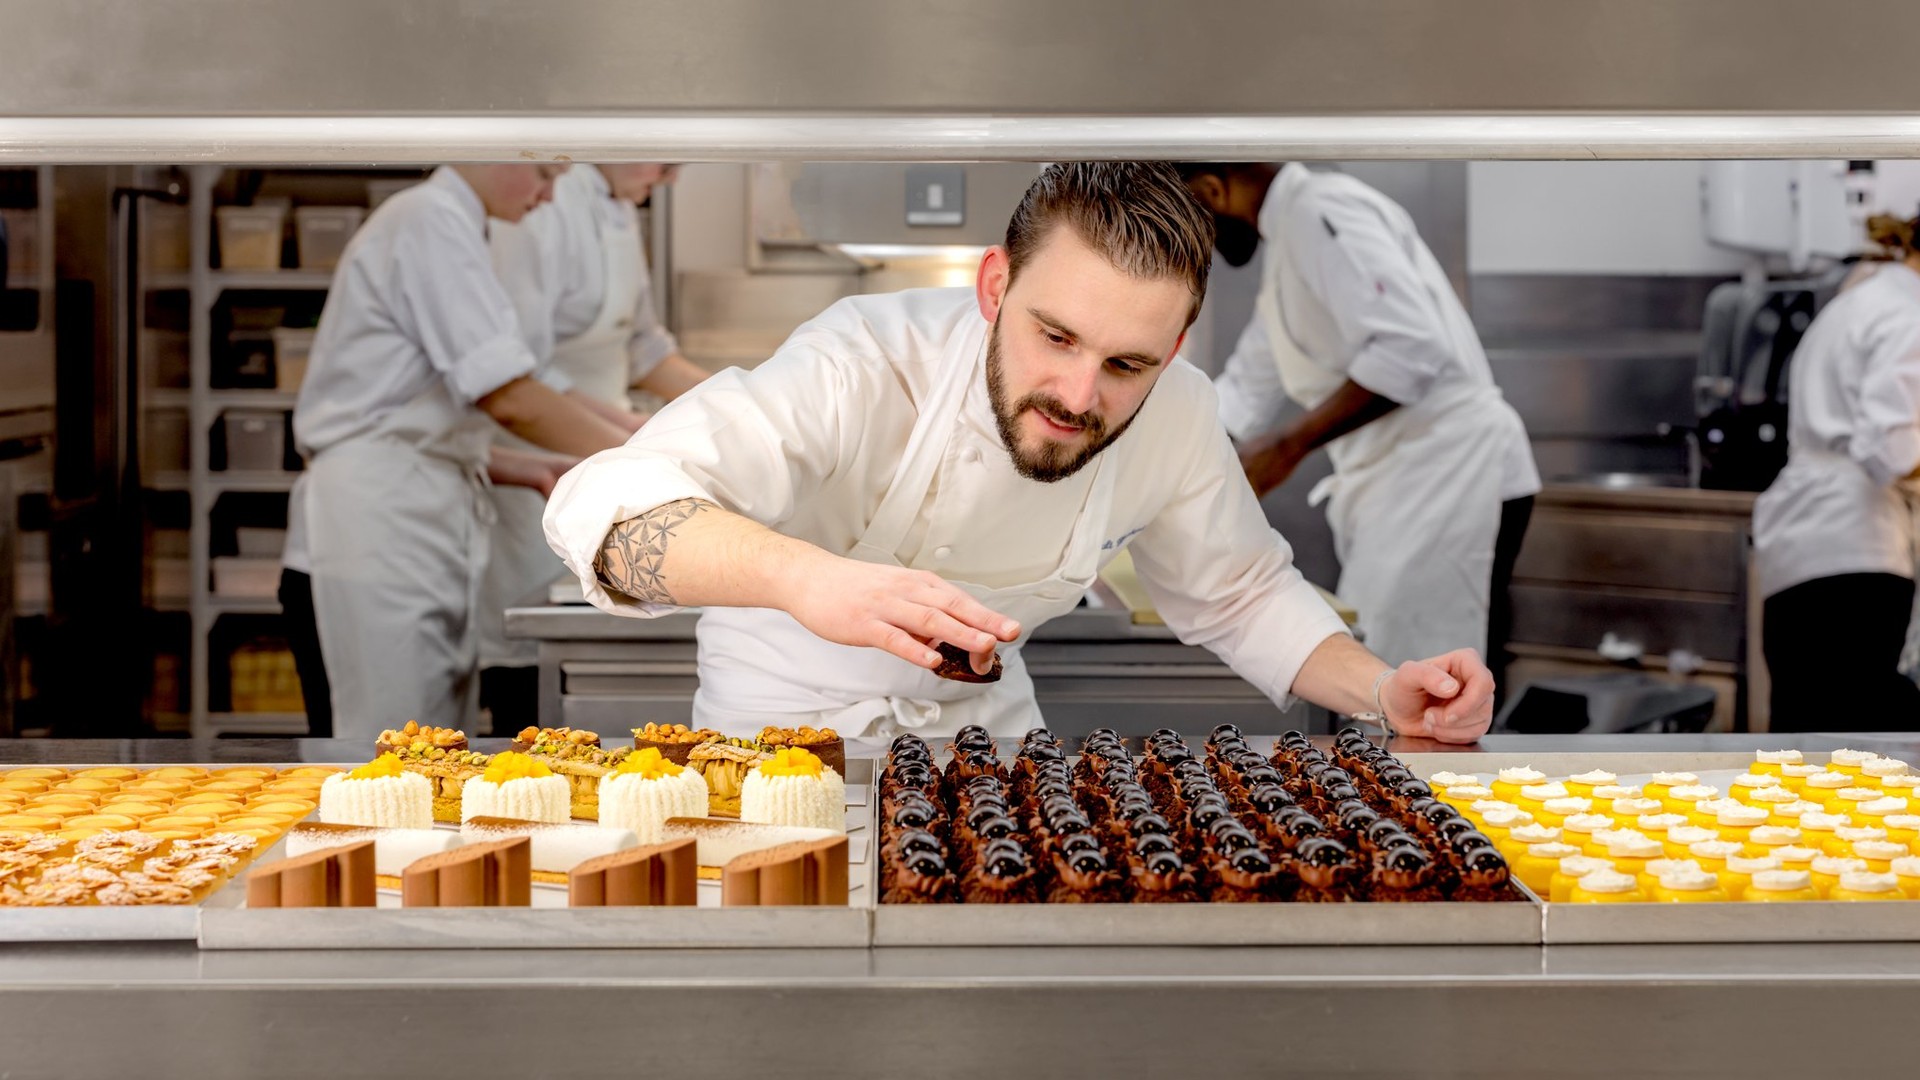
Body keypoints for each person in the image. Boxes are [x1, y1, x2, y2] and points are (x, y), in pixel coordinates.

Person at [543, 162, 1494, 742]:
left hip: (987, 753)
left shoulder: (1179, 414)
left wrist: (1383, 691)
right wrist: (807, 580)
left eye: (1126, 364)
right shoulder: (864, 363)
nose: (1079, 396)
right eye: (1056, 337)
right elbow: (607, 507)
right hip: (777, 750)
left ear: (1174, 348)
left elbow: (1240, 593)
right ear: (994, 288)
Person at [279, 164, 634, 741]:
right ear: (495, 151)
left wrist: (528, 467)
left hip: (420, 512)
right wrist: (643, 462)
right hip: (375, 524)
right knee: (389, 749)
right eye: (543, 173)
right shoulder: (427, 220)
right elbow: (509, 397)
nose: (550, 196)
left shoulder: (465, 228)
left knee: (437, 741)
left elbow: (418, 412)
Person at [1175, 163, 1540, 699]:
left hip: (1447, 472)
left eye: (1189, 211)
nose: (1193, 236)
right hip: (1405, 484)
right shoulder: (1291, 245)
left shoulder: (1320, 210)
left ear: (1213, 189)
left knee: (1414, 681)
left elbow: (1410, 350)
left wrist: (1288, 446)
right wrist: (1159, 454)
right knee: (1390, 681)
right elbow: (1248, 384)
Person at [474, 164, 711, 725]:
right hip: (546, 465)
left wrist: (746, 411)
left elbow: (646, 351)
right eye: (665, 159)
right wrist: (640, 449)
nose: (672, 178)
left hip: (612, 463)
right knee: (531, 667)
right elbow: (521, 381)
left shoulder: (621, 206)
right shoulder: (542, 203)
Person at [1754, 209, 1920, 730]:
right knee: (1855, 739)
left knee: (1805, 734)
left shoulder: (1859, 302)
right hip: (1857, 547)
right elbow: (1891, 450)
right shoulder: (1906, 315)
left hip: (1804, 541)